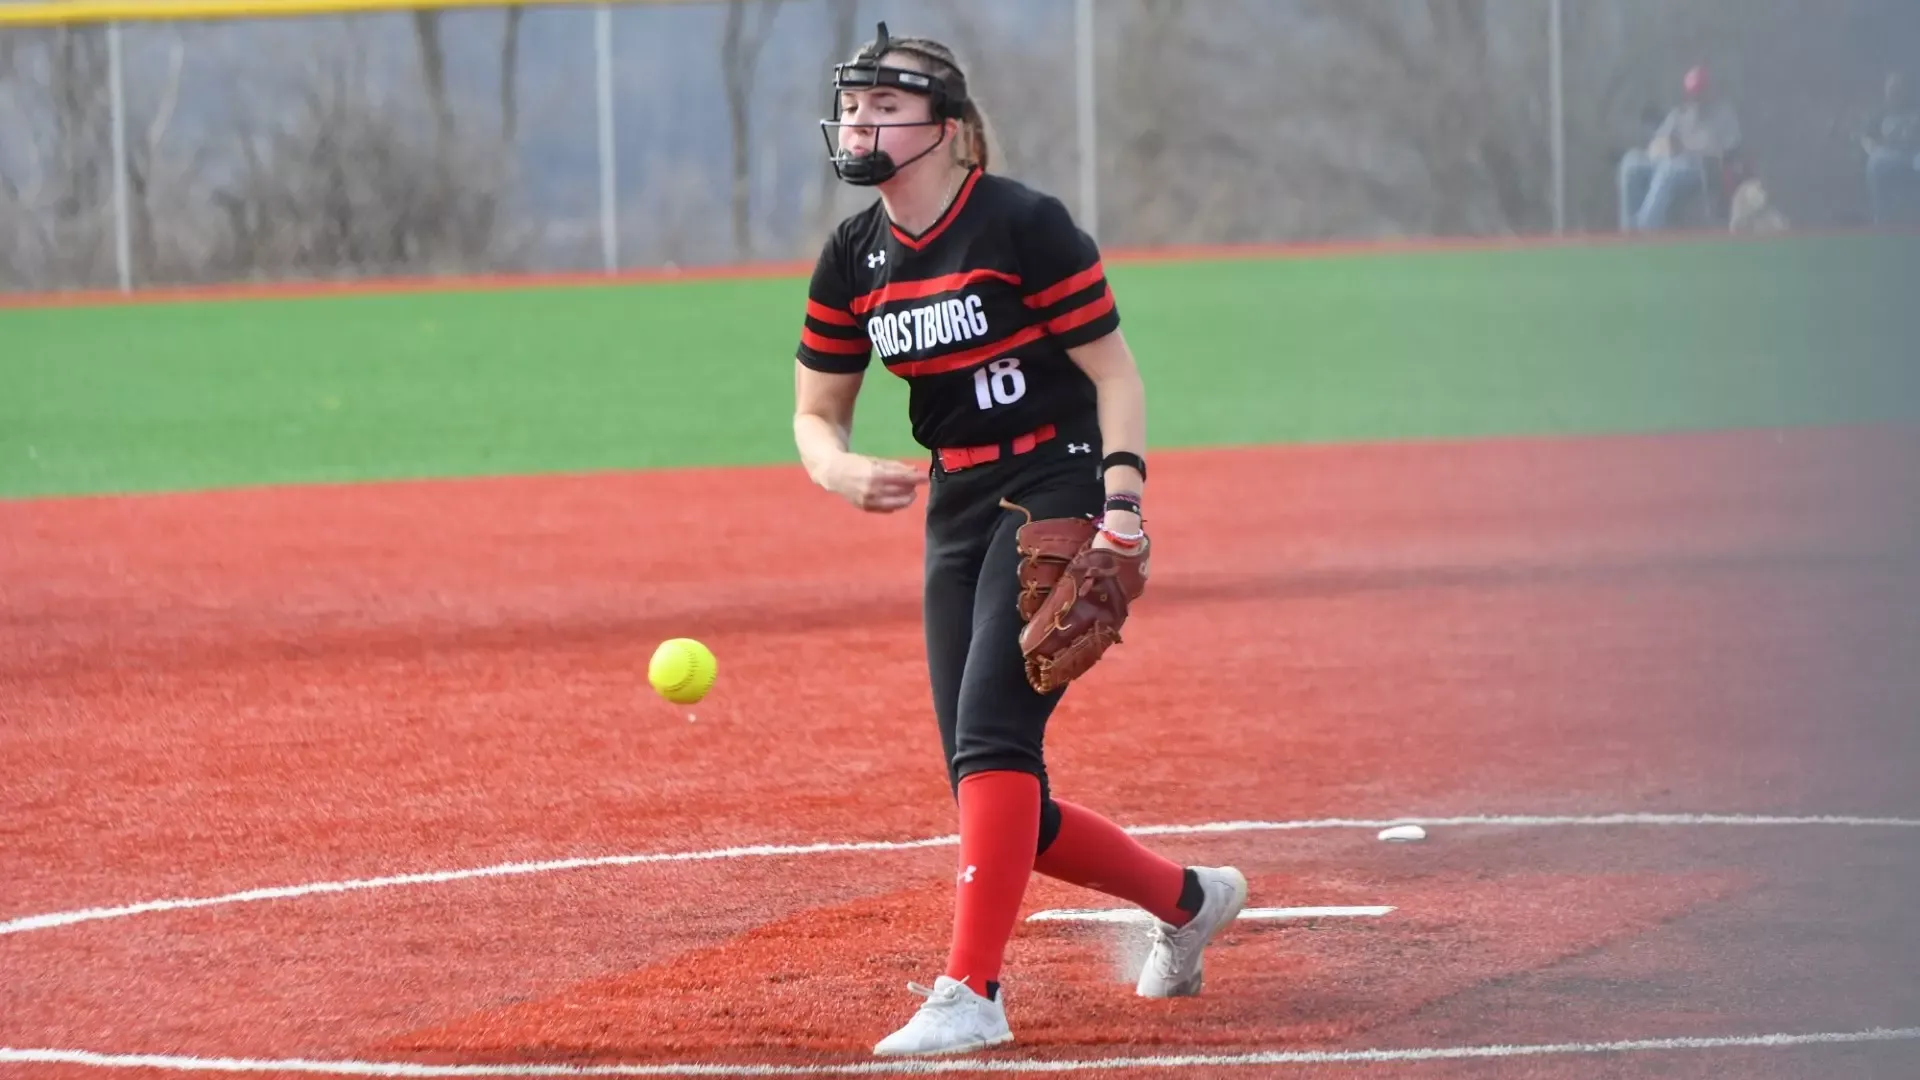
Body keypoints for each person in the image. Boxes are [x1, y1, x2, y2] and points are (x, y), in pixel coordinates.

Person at [791, 22, 1250, 1059]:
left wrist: (1122, 505)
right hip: (958, 508)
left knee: (997, 734)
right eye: (852, 106)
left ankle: (972, 993)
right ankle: (1188, 901)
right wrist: (836, 466)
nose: (858, 123)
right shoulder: (853, 254)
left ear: (947, 128)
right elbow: (815, 410)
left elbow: (1115, 373)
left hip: (1055, 479)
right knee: (993, 785)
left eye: (882, 107)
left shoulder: (1020, 224)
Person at [1617, 65, 1742, 231]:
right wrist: (1665, 146)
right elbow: (1657, 143)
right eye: (1692, 94)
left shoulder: (1723, 115)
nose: (1696, 99)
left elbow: (1731, 150)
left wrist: (1695, 150)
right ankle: (1629, 233)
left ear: (1709, 91)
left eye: (1700, 93)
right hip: (1668, 160)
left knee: (1668, 170)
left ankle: (1647, 232)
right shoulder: (1680, 114)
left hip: (1700, 167)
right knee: (1631, 162)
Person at [1863, 71, 1920, 226]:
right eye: (1892, 88)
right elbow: (1867, 137)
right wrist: (1872, 148)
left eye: (1899, 87)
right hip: (1890, 155)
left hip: (1915, 154)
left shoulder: (1915, 108)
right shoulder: (1880, 112)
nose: (1895, 91)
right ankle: (1881, 218)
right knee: (1874, 164)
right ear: (1886, 90)